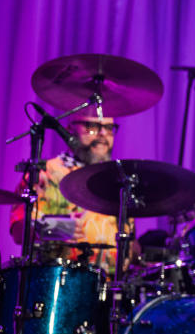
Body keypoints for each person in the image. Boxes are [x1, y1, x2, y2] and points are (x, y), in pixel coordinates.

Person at [9, 115, 133, 275]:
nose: (102, 133)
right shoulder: (45, 173)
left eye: (109, 128)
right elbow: (19, 231)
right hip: (58, 281)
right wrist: (59, 228)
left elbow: (130, 240)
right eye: (91, 126)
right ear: (70, 129)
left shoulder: (120, 179)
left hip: (111, 287)